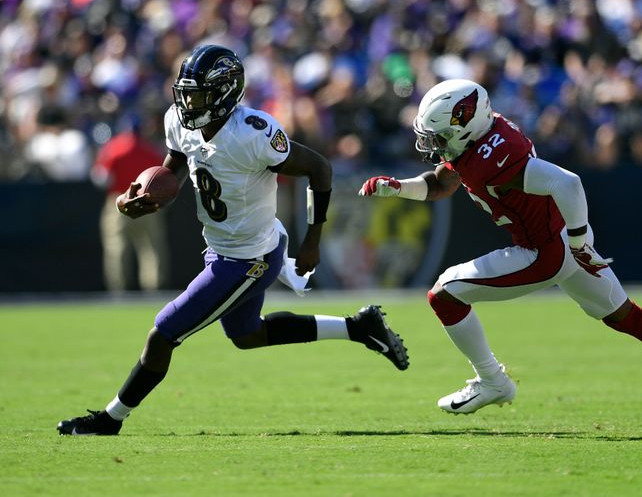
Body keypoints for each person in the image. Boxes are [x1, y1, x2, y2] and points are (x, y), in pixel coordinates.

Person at [58, 45, 409, 436]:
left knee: (163, 334)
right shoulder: (179, 120)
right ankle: (360, 327)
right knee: (247, 335)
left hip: (248, 257)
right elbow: (173, 169)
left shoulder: (253, 134)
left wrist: (313, 239)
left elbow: (319, 168)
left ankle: (110, 419)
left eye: (199, 94)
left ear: (225, 93)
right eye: (186, 93)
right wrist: (139, 198)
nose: (188, 103)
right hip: (225, 247)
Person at [359, 79, 642, 432]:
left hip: (544, 251)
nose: (436, 146)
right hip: (559, 239)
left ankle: (493, 381)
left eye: (441, 137)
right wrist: (399, 188)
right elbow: (442, 183)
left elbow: (567, 183)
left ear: (464, 125)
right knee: (626, 315)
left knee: (444, 294)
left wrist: (578, 242)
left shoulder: (495, 156)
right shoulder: (478, 140)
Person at [91, 115, 169, 291]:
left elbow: (101, 178)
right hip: (148, 202)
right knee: (151, 248)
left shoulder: (114, 148)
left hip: (120, 201)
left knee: (117, 247)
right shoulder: (150, 149)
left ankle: (119, 290)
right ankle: (154, 288)